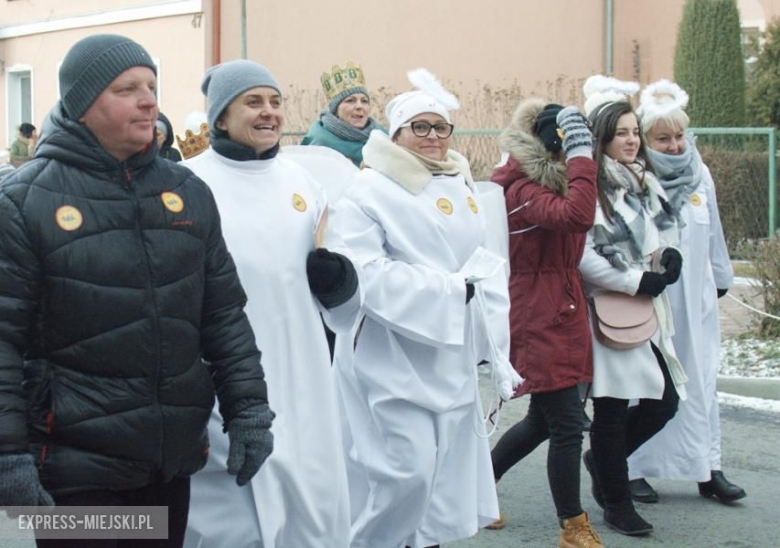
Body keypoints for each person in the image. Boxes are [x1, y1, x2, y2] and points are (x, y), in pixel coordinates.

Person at [0, 34, 274, 548]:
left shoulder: (187, 191)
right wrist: (7, 457)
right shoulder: (23, 201)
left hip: (165, 463)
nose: (149, 100)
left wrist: (249, 409)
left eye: (152, 85)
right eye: (127, 89)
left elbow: (223, 316)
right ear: (82, 103)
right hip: (73, 471)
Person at [331, 69, 521, 548]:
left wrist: (490, 339)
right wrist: (450, 292)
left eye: (441, 127)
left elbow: (486, 262)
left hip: (448, 353)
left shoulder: (460, 185)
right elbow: (364, 272)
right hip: (389, 355)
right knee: (406, 470)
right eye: (421, 127)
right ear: (394, 134)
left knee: (439, 475)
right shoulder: (369, 190)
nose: (434, 137)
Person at [183, 60, 362, 548]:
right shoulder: (187, 184)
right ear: (220, 116)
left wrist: (338, 282)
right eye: (253, 102)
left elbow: (343, 306)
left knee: (314, 507)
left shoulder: (304, 182)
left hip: (305, 379)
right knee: (236, 520)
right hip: (227, 382)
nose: (269, 113)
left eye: (276, 102)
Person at [487, 99, 604, 547]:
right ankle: (572, 526)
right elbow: (578, 214)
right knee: (568, 424)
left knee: (542, 421)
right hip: (538, 312)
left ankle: (474, 488)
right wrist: (580, 156)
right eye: (570, 141)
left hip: (563, 305)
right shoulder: (520, 190)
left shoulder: (549, 181)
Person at [627, 79, 746, 504]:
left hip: (696, 303)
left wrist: (720, 277)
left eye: (679, 136)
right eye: (663, 138)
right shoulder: (635, 177)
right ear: (645, 139)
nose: (675, 145)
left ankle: (706, 467)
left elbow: (712, 232)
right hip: (653, 302)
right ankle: (631, 467)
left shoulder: (700, 174)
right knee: (649, 383)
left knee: (701, 380)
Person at [578, 76, 687, 537]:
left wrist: (667, 257)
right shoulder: (590, 186)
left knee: (665, 402)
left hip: (643, 310)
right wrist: (634, 279)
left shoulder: (643, 182)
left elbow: (662, 234)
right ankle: (617, 502)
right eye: (621, 132)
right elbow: (584, 256)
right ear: (602, 137)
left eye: (634, 132)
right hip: (609, 310)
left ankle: (604, 465)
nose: (631, 140)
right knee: (611, 408)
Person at [300, 61, 385, 166]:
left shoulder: (382, 136)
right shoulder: (319, 142)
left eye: (364, 101)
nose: (359, 106)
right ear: (336, 110)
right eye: (350, 101)